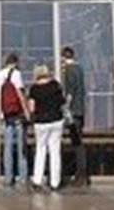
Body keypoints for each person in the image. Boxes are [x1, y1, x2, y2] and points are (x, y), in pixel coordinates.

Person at [27, 64, 66, 192]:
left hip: (41, 122)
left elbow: (31, 108)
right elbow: (62, 101)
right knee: (55, 151)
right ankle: (55, 182)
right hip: (56, 120)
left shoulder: (34, 88)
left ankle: (37, 180)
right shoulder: (55, 85)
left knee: (41, 150)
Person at [0, 53, 28, 187]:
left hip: (6, 114)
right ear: (16, 62)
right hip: (17, 114)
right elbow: (19, 93)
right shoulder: (16, 74)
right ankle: (22, 177)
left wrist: (0, 113)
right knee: (21, 147)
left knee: (7, 147)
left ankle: (8, 178)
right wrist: (25, 110)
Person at [61, 46, 89, 187]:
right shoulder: (80, 69)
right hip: (81, 110)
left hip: (73, 112)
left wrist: (65, 107)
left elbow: (70, 91)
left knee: (77, 143)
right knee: (79, 141)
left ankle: (81, 175)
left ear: (64, 58)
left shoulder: (69, 70)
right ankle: (82, 173)